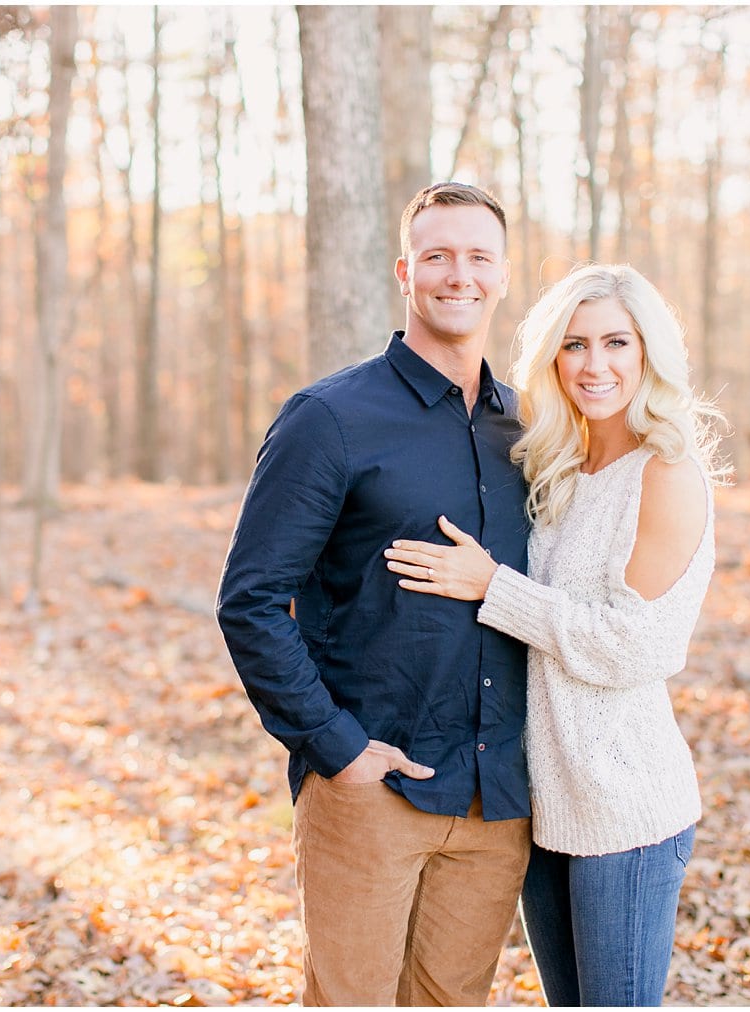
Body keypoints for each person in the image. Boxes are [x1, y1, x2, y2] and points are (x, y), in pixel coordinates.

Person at [215, 182, 534, 1007]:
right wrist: (337, 748)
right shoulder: (330, 417)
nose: (456, 275)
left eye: (476, 257)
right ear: (405, 271)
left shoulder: (529, 430)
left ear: (502, 275)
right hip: (374, 789)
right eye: (436, 256)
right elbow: (251, 599)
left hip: (495, 801)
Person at [383, 262, 726, 1007]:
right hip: (549, 804)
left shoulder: (662, 472)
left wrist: (492, 588)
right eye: (573, 345)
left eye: (615, 343)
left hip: (626, 808)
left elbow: (639, 647)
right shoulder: (561, 469)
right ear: (550, 358)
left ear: (647, 353)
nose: (594, 365)